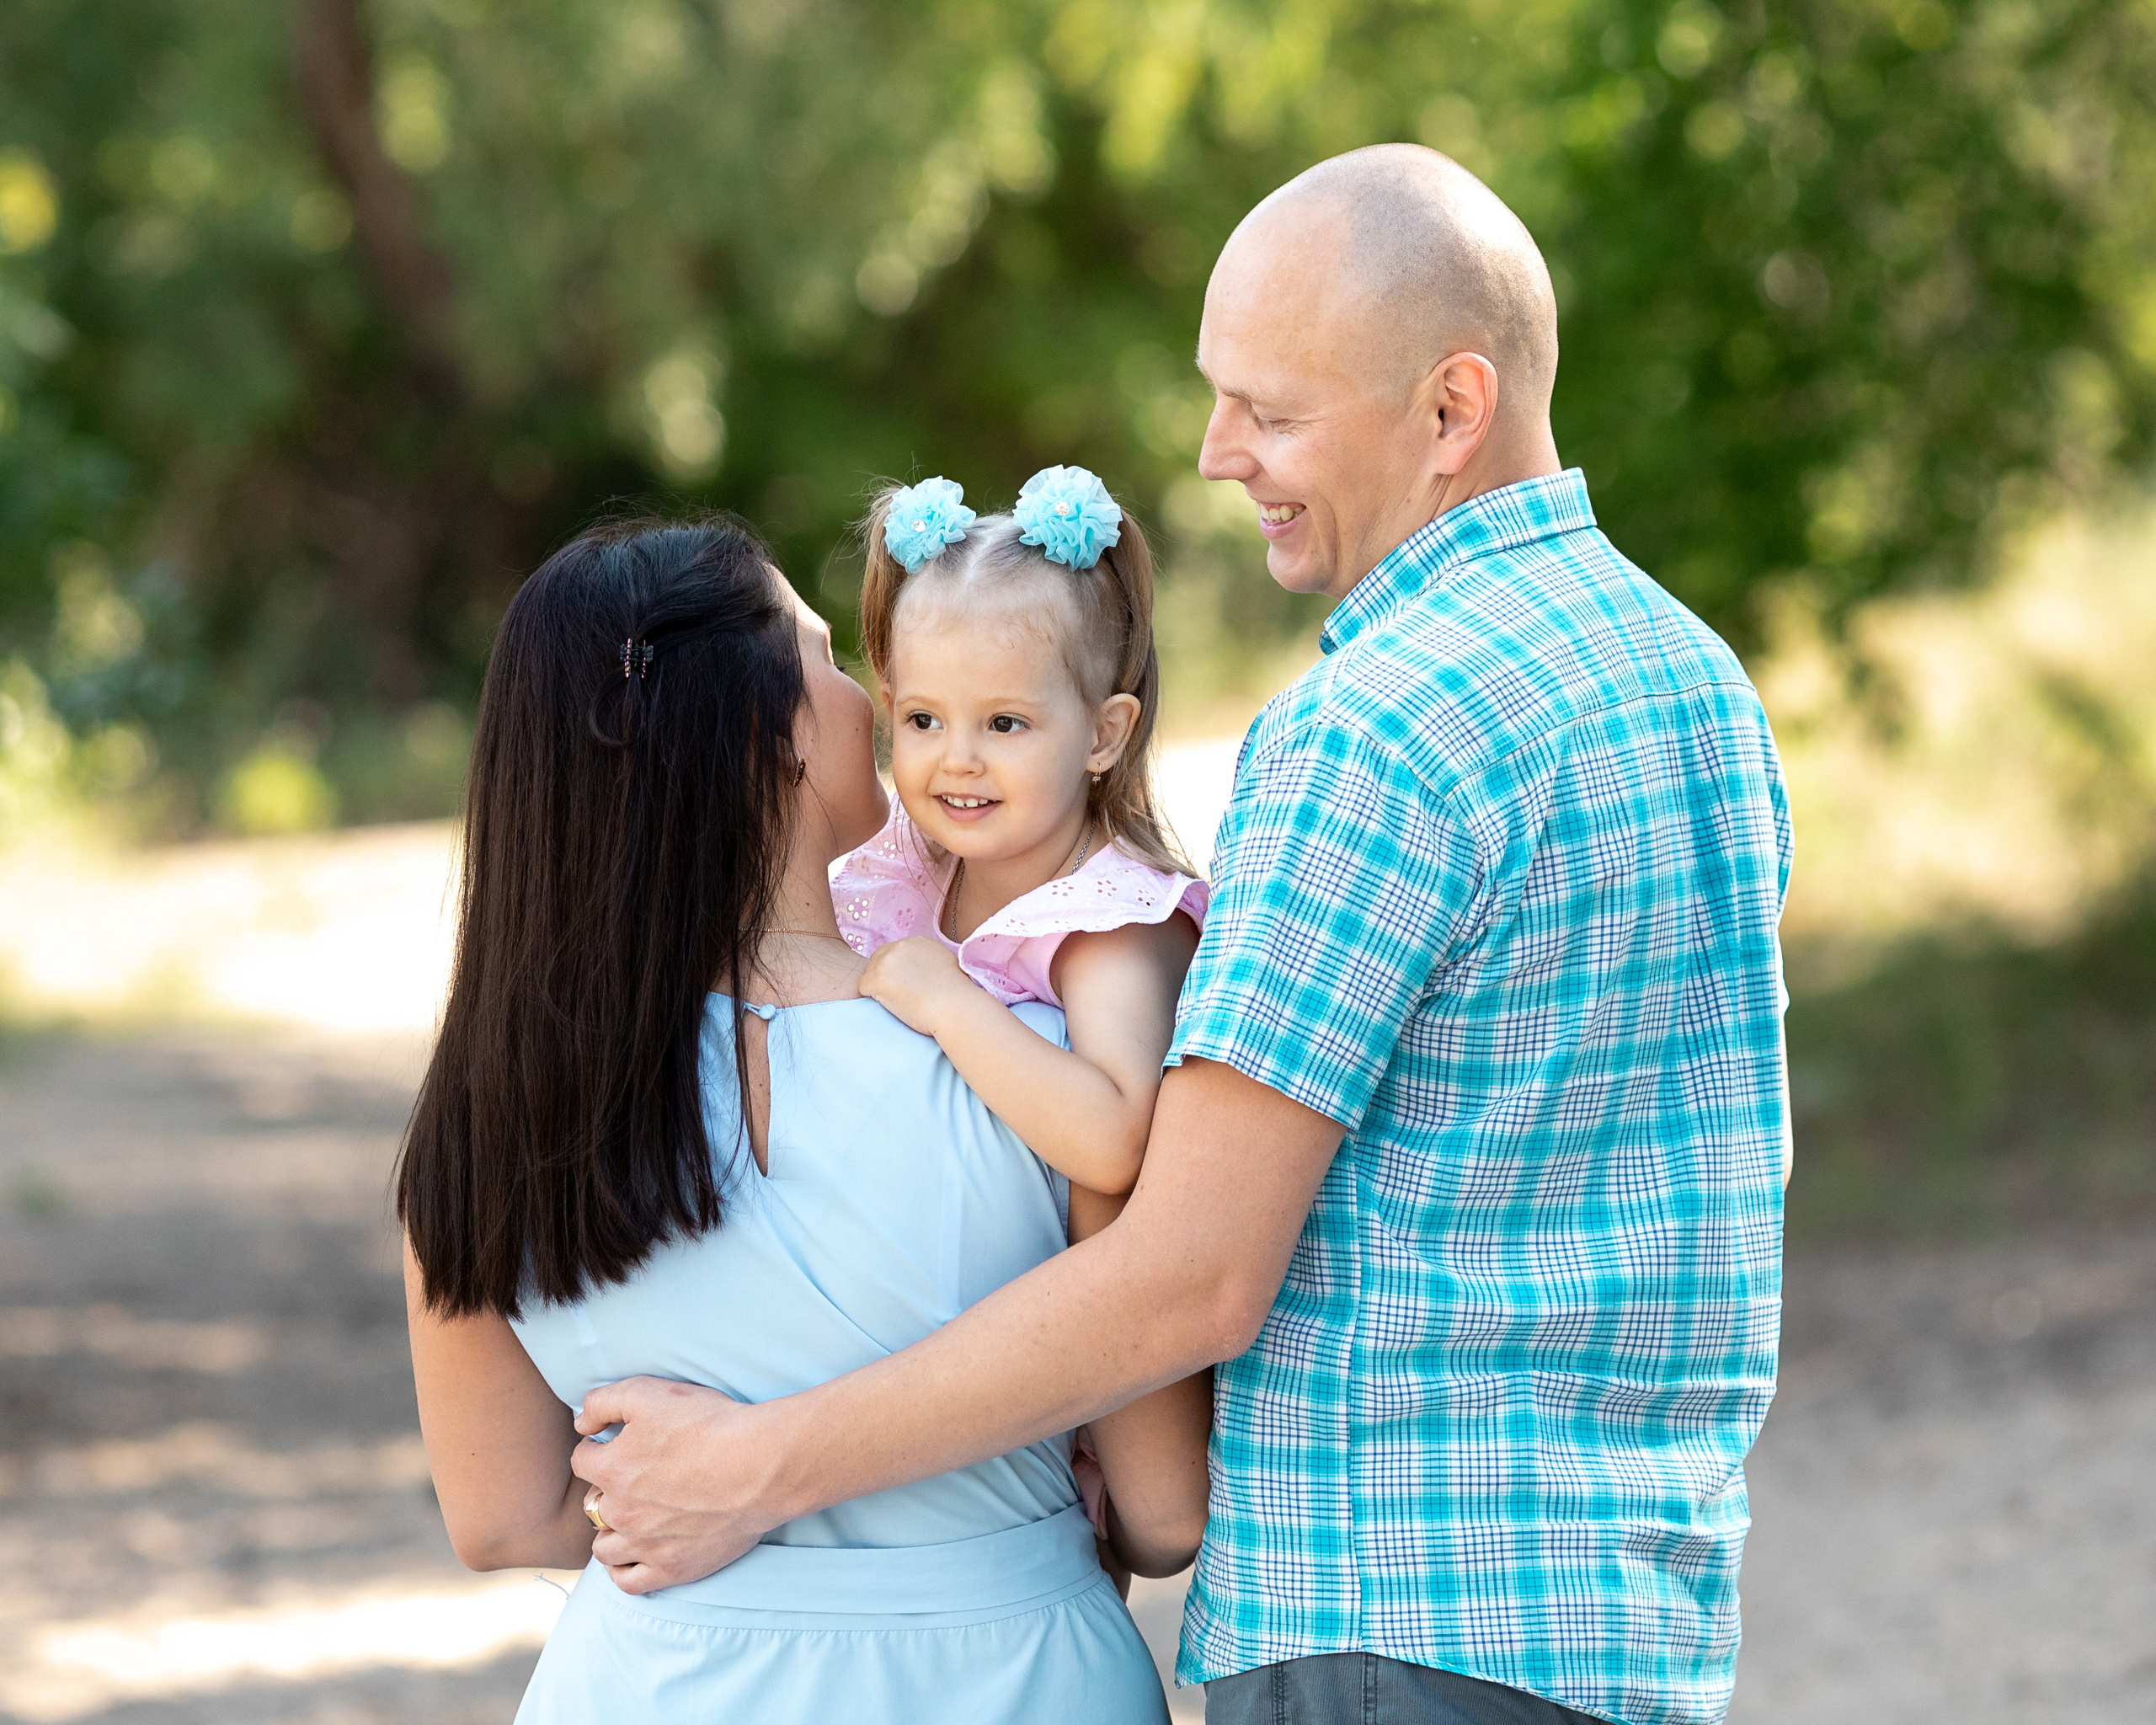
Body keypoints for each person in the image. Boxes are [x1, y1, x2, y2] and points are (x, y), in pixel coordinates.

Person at [572, 144, 1793, 1725]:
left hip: (1389, 1618)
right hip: (1634, 1620)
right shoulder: (1699, 688)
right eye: (1221, 399)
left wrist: (758, 1465)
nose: (1219, 456)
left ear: (1450, 410)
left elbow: (1188, 1272)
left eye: (1272, 410)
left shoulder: (1374, 730)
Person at [395, 515, 1202, 1722]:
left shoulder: (489, 1112)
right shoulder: (1045, 1073)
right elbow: (1163, 1508)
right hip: (1009, 1680)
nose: (872, 701)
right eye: (830, 663)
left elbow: (503, 1516)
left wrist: (715, 1500)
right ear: (773, 733)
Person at [835, 466, 1213, 1557]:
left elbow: (1110, 1138)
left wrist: (949, 1002)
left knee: (1156, 1521)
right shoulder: (902, 876)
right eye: (920, 717)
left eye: (1004, 721)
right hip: (956, 1285)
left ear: (1102, 734)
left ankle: (1141, 1512)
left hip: (1100, 1308)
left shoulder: (1110, 917)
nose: (956, 757)